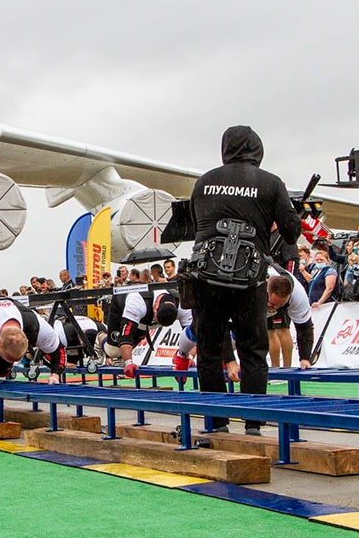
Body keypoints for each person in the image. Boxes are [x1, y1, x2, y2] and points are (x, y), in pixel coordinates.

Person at [187, 125, 301, 433]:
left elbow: (198, 225)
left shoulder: (204, 181)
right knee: (253, 349)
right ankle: (252, 423)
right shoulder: (270, 183)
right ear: (257, 149)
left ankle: (217, 422)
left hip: (207, 277)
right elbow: (291, 232)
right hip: (249, 280)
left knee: (209, 350)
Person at [103, 287, 190, 372]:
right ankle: (100, 337)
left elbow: (192, 334)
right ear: (155, 309)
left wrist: (188, 358)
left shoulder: (183, 306)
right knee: (113, 352)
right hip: (121, 307)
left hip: (145, 318)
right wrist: (129, 363)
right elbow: (126, 336)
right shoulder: (138, 302)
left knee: (129, 346)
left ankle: (123, 355)